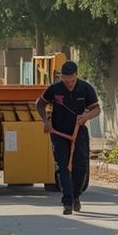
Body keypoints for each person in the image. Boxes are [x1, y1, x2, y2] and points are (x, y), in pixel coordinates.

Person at [35, 60, 101, 215]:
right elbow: (39, 104)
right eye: (65, 81)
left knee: (81, 167)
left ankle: (76, 195)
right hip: (58, 133)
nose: (69, 84)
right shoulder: (54, 89)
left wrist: (87, 116)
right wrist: (46, 121)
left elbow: (96, 109)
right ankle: (67, 202)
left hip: (79, 132)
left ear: (76, 76)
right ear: (61, 77)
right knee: (63, 167)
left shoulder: (86, 88)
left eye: (71, 81)